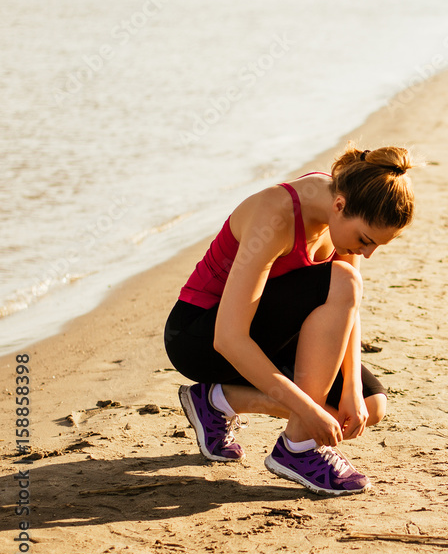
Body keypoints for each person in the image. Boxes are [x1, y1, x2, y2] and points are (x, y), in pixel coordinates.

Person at [163, 145, 414, 495]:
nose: (367, 253)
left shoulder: (346, 204)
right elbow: (228, 338)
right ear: (339, 206)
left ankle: (217, 401)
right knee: (319, 409)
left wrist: (354, 390)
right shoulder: (276, 214)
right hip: (200, 336)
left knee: (367, 408)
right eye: (365, 241)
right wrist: (307, 410)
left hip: (268, 331)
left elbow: (347, 305)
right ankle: (298, 448)